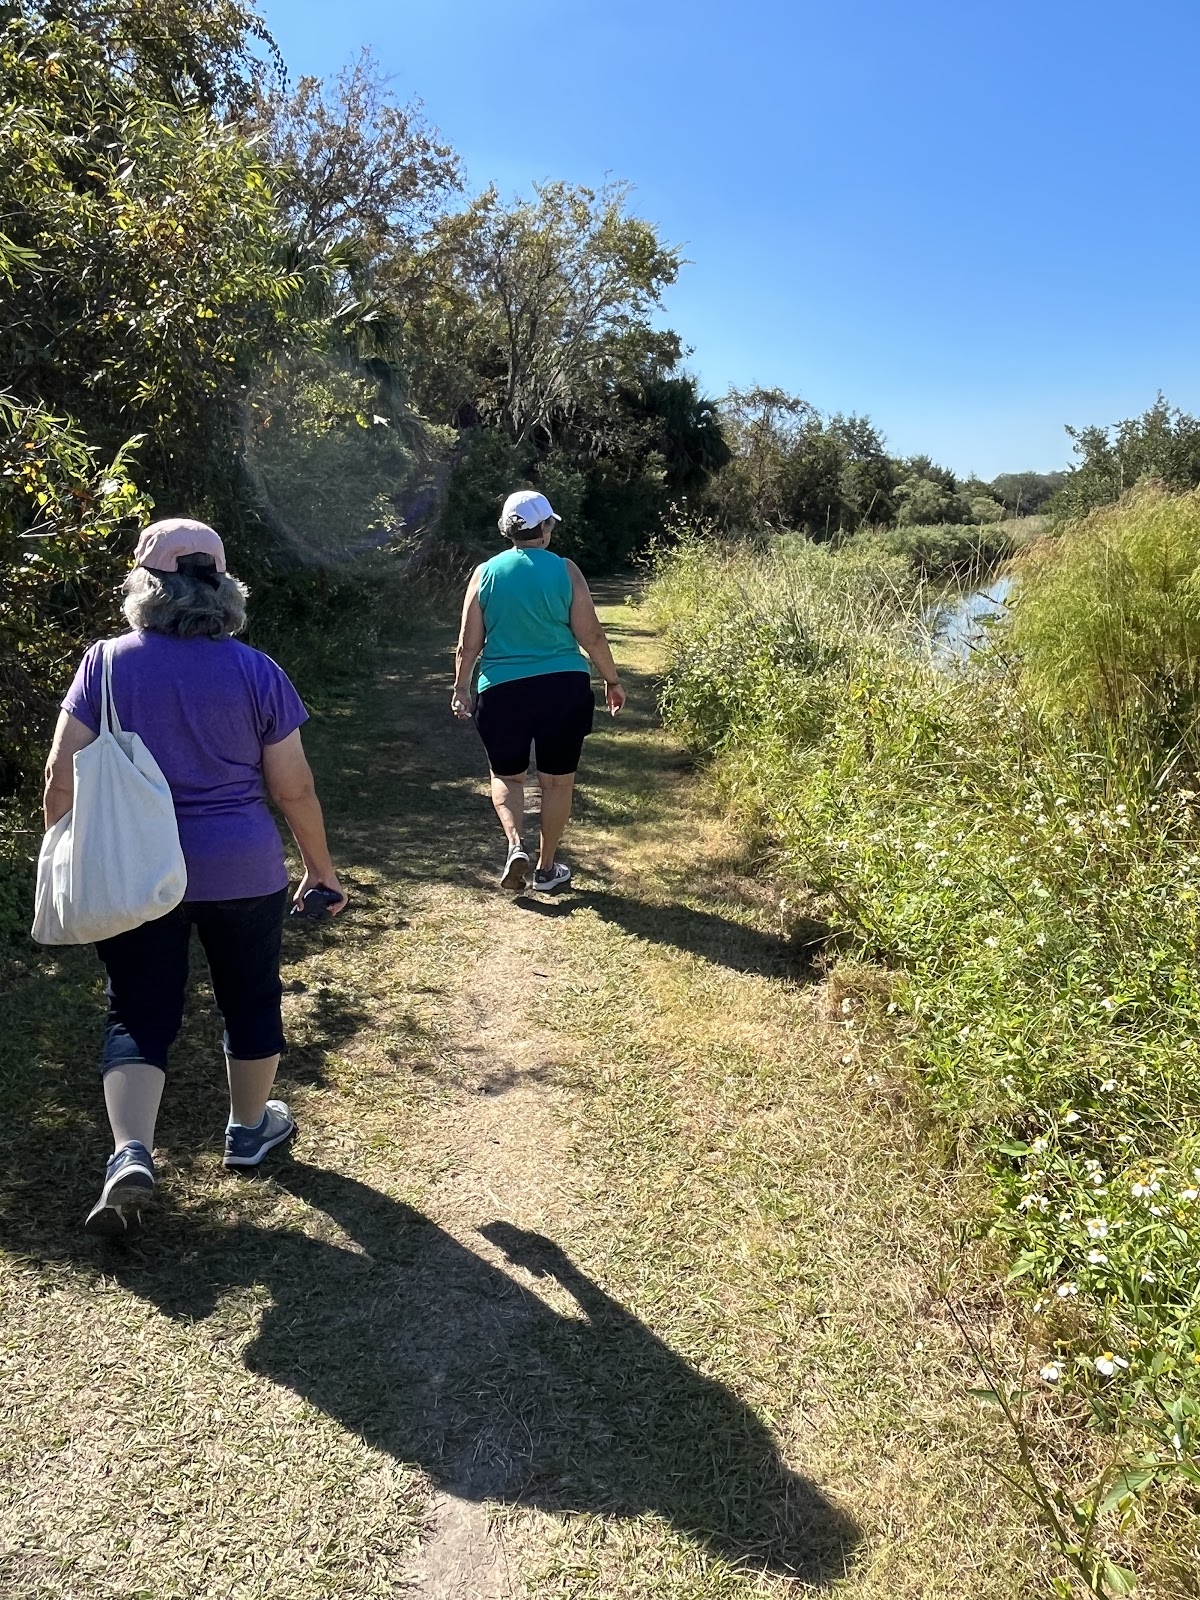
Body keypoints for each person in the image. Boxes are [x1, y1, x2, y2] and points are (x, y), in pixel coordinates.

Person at [42, 518, 347, 1237]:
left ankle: (131, 1152)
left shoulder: (106, 664)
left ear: (145, 586)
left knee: (138, 1011)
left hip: (135, 870)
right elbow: (293, 788)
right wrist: (320, 869)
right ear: (223, 586)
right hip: (241, 867)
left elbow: (61, 776)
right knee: (250, 996)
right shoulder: (255, 669)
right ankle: (247, 1130)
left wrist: (61, 848)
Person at [452, 489, 626, 892]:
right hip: (562, 688)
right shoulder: (566, 570)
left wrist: (461, 687)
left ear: (507, 530)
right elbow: (592, 635)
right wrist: (612, 680)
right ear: (545, 528)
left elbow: (467, 641)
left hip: (502, 691)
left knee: (507, 776)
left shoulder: (484, 573)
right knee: (556, 782)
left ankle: (516, 845)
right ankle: (547, 869)